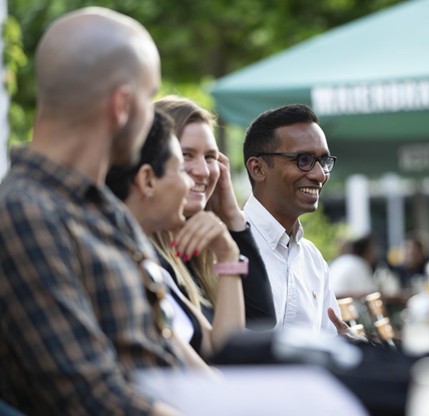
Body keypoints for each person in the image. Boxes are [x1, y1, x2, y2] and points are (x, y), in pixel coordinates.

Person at [0, 7, 188, 415]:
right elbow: (90, 396)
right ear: (122, 104)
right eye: (149, 95)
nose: (152, 114)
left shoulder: (101, 206)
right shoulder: (24, 213)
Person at [106, 109, 246, 358]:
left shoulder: (149, 266)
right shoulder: (127, 265)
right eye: (183, 165)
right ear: (148, 180)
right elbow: (221, 369)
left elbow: (223, 349)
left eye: (211, 157)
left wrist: (229, 256)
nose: (196, 178)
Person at [154, 95, 276, 331]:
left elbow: (261, 323)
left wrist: (232, 215)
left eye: (210, 157)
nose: (202, 171)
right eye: (186, 155)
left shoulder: (204, 251)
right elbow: (225, 348)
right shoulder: (147, 255)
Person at [242, 103, 346, 335]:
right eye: (303, 160)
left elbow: (329, 344)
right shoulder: (225, 246)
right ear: (258, 169)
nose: (320, 174)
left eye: (323, 162)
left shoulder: (313, 261)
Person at [329, 234, 379, 298]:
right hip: (343, 306)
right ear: (366, 251)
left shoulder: (341, 261)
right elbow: (371, 294)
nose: (375, 255)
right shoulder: (359, 264)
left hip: (331, 305)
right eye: (372, 251)